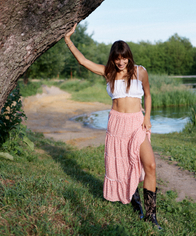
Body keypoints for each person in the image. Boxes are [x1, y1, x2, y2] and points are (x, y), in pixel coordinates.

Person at [64, 23, 161, 230]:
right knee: (124, 165)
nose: (121, 62)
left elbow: (149, 94)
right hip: (117, 124)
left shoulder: (140, 71)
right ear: (113, 59)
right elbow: (83, 61)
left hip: (137, 122)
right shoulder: (108, 73)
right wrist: (68, 40)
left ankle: (152, 216)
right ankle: (136, 203)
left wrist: (147, 118)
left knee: (150, 165)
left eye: (124, 58)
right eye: (117, 58)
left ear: (129, 56)